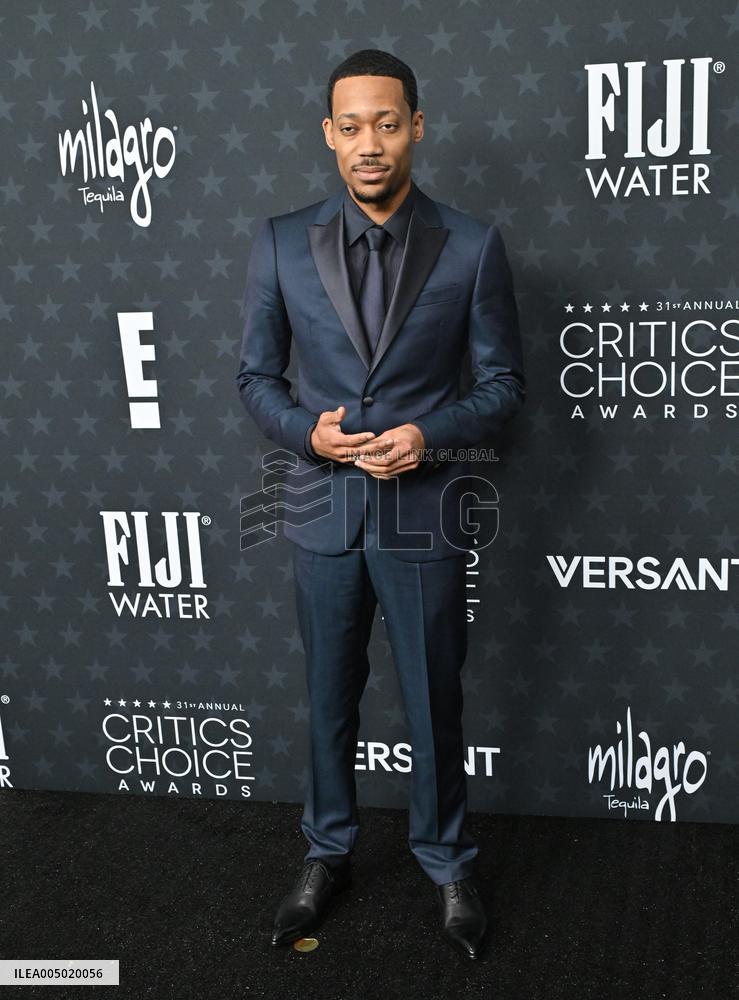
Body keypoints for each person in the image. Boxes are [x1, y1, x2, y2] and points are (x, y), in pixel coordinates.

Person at [236, 48, 525, 960]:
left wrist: (429, 436)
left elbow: (503, 384)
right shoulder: (280, 241)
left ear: (416, 127)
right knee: (329, 699)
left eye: (387, 123)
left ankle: (446, 863)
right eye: (351, 126)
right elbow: (255, 379)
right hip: (323, 509)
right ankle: (327, 854)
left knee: (434, 700)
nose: (370, 143)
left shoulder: (472, 246)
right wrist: (304, 435)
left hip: (424, 511)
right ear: (329, 136)